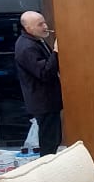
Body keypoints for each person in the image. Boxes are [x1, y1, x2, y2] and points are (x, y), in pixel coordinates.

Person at [14, 10, 62, 157]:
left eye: (44, 22)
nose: (45, 26)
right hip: (43, 101)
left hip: (47, 100)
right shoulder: (27, 47)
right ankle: (47, 168)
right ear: (28, 28)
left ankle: (49, 166)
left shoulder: (35, 40)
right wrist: (56, 52)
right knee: (49, 142)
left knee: (53, 138)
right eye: (40, 24)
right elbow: (44, 73)